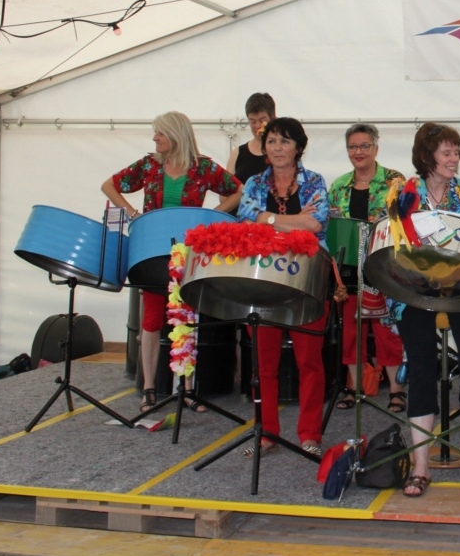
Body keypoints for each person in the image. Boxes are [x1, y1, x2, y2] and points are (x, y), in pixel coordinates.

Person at [101, 111, 241, 413]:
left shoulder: (203, 167)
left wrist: (213, 217)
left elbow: (238, 190)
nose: (155, 138)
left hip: (187, 255)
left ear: (176, 135)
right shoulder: (149, 165)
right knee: (151, 321)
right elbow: (109, 185)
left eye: (160, 133)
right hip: (152, 253)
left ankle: (187, 389)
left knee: (186, 318)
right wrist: (132, 213)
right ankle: (149, 388)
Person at [386, 123, 460, 497]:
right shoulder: (403, 193)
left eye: (457, 152)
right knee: (422, 368)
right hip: (414, 290)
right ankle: (420, 464)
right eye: (447, 152)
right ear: (427, 155)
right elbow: (393, 245)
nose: (454, 159)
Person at [236, 117, 331, 457]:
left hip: (306, 282)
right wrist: (292, 221)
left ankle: (310, 434)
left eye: (285, 141)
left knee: (310, 362)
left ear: (299, 147)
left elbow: (315, 223)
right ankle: (267, 434)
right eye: (272, 141)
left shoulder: (314, 181)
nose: (277, 148)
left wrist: (268, 219)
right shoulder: (254, 183)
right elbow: (246, 222)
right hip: (262, 282)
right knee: (264, 366)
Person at [327, 123, 407, 414]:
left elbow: (405, 221)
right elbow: (331, 227)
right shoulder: (338, 186)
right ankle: (355, 387)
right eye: (352, 146)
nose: (358, 152)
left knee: (387, 329)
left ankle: (396, 390)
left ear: (375, 148)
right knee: (351, 330)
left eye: (364, 146)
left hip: (384, 265)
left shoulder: (395, 181)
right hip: (349, 267)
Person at [227, 92, 275, 186]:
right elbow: (226, 190)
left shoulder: (283, 151)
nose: (257, 126)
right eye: (253, 121)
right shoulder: (237, 153)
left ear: (273, 117)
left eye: (262, 121)